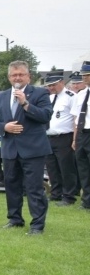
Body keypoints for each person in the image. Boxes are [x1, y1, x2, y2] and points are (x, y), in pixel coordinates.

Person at [0, 60, 52, 235]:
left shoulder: (40, 93)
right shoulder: (0, 97)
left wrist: (25, 104)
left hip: (33, 150)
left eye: (21, 74)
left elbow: (45, 116)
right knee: (12, 185)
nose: (18, 77)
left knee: (34, 188)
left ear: (28, 77)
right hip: (9, 149)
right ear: (9, 77)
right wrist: (4, 127)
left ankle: (37, 225)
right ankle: (15, 219)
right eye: (14, 75)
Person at [43, 71, 78, 207]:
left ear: (62, 82)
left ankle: (69, 196)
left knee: (66, 167)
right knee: (52, 167)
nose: (51, 88)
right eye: (49, 85)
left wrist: (75, 139)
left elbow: (75, 119)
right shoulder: (50, 98)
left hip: (64, 137)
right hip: (49, 137)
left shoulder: (71, 97)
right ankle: (56, 193)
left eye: (54, 85)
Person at [71, 61, 90, 211]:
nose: (84, 78)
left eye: (87, 75)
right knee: (83, 168)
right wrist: (75, 139)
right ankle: (86, 201)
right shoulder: (81, 94)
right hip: (82, 134)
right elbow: (76, 119)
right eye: (83, 75)